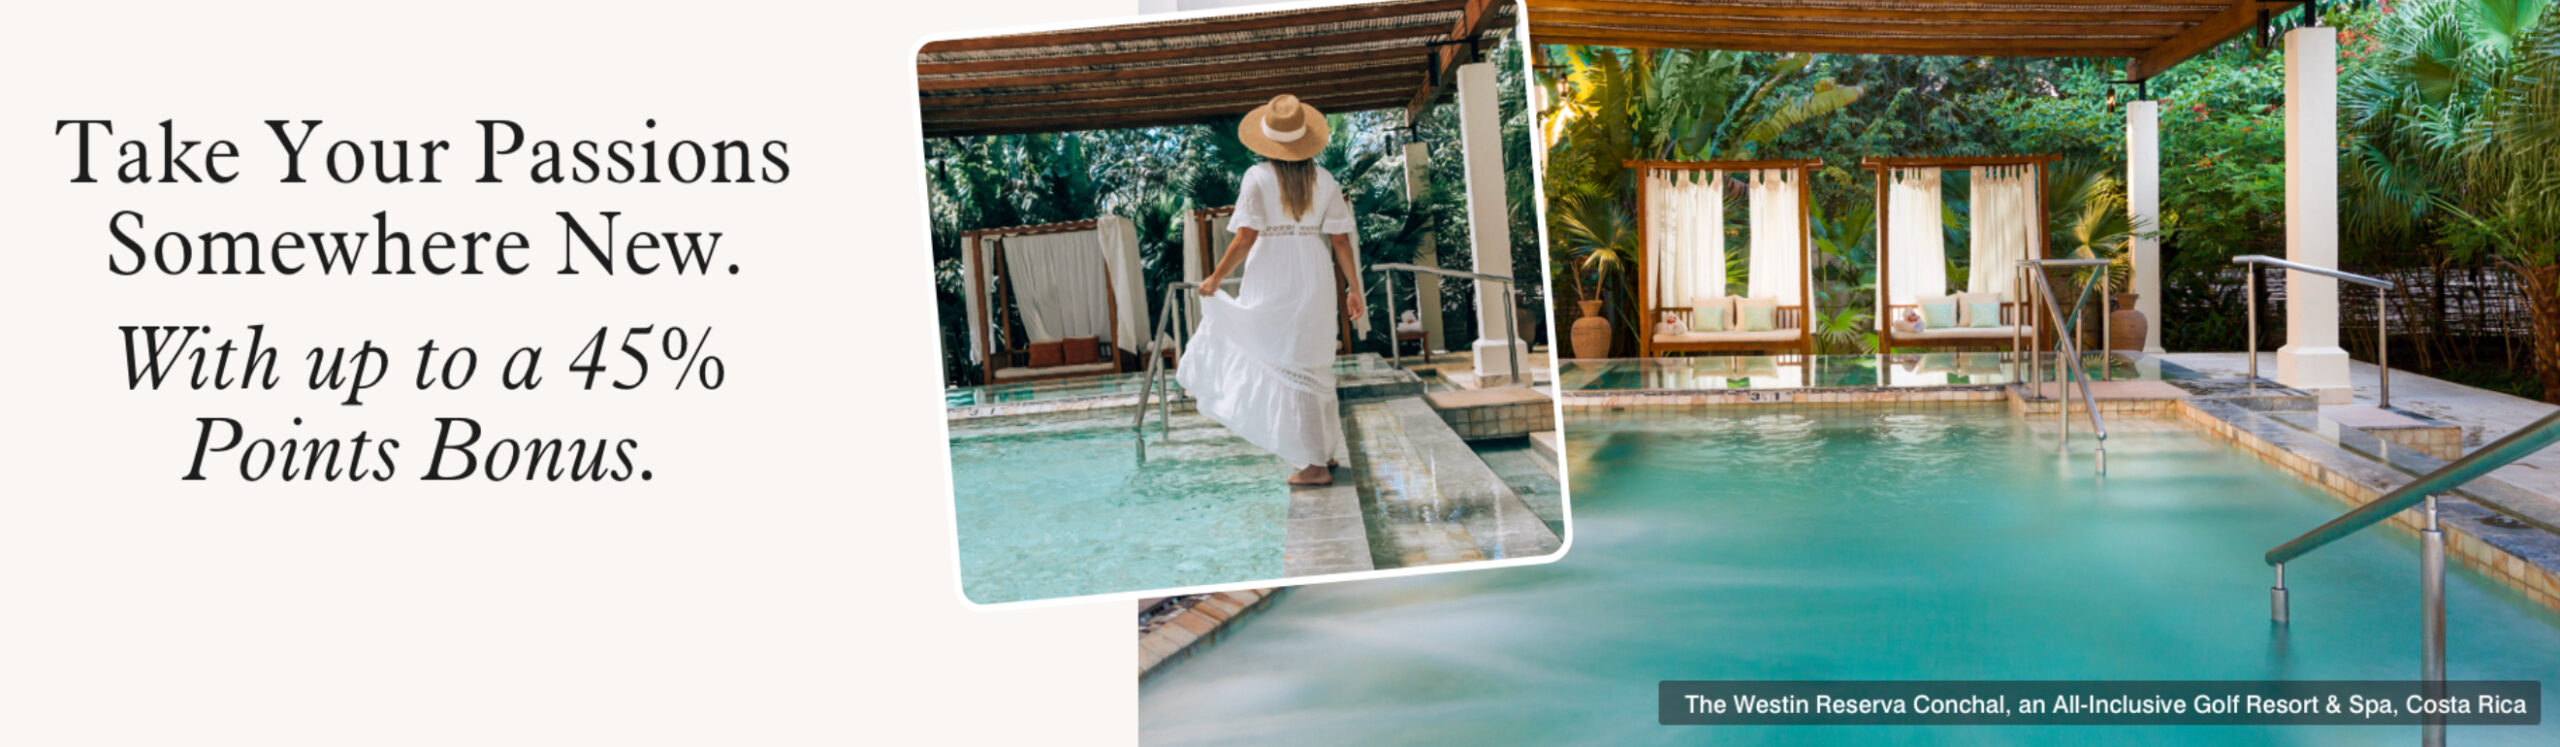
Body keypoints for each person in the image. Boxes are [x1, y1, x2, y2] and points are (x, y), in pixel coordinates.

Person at [1177, 94, 1366, 486]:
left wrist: (1214, 277)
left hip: (1273, 273)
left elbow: (1246, 238)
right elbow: (1341, 242)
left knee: (1278, 358)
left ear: (1269, 141)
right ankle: (1323, 453)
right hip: (1314, 274)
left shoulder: (1257, 177)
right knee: (1313, 364)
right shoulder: (1325, 180)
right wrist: (1353, 288)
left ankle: (1314, 465)